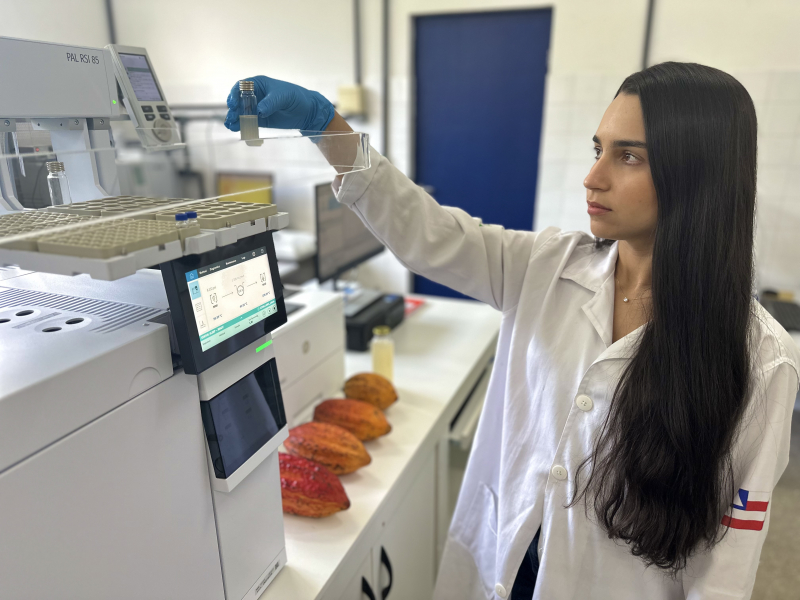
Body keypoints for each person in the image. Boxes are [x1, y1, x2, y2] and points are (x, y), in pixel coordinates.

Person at [225, 62, 799, 600]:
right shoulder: (549, 267)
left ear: (699, 175)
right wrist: (327, 127)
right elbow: (428, 233)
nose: (592, 178)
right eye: (598, 149)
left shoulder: (760, 359)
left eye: (629, 157)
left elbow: (724, 571)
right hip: (507, 564)